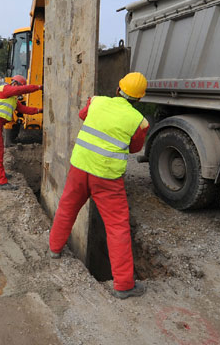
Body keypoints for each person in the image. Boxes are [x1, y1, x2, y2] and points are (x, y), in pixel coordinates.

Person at [48, 72, 150, 299]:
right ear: (140, 99)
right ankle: (123, 285)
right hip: (106, 177)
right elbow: (134, 148)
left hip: (80, 167)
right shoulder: (139, 121)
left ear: (118, 89)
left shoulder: (97, 101)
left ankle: (54, 249)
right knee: (117, 227)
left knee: (67, 208)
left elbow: (83, 115)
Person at [0, 74, 43, 190]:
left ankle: (1, 174)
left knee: (0, 150)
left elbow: (24, 109)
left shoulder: (13, 99)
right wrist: (39, 87)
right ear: (15, 84)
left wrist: (39, 110)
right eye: (19, 88)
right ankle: (1, 182)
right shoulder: (3, 89)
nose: (20, 94)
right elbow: (21, 90)